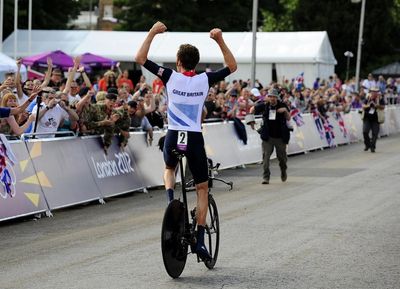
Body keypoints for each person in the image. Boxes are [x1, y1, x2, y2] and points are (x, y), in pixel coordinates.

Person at [135, 21, 237, 261]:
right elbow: (232, 66)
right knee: (202, 188)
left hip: (173, 135)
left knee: (169, 168)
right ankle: (200, 240)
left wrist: (152, 32)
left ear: (179, 62)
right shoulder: (205, 79)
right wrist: (220, 39)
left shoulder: (169, 76)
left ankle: (171, 205)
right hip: (193, 138)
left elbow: (140, 58)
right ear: (196, 63)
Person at [249, 88, 291, 184]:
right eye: (270, 96)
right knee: (266, 158)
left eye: (274, 97)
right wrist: (251, 121)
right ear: (268, 97)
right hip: (268, 137)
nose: (272, 98)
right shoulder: (264, 105)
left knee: (282, 159)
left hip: (280, 137)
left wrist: (285, 110)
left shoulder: (282, 105)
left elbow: (288, 118)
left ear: (277, 98)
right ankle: (266, 177)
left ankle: (283, 171)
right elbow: (252, 109)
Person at [361, 87, 385, 153]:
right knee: (365, 132)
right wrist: (369, 105)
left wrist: (376, 105)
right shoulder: (367, 97)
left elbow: (383, 107)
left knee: (375, 133)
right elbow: (363, 106)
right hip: (367, 118)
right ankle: (367, 144)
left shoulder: (380, 98)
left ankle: (372, 146)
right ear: (370, 92)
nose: (374, 93)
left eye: (375, 91)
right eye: (373, 91)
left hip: (376, 118)